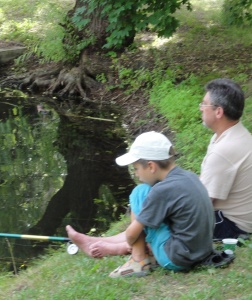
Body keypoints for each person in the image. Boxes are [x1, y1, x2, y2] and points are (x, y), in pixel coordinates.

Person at [68, 131, 214, 277]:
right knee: (146, 206)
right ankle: (96, 241)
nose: (136, 174)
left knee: (140, 192)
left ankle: (138, 260)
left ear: (151, 166)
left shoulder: (161, 191)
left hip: (178, 258)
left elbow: (131, 235)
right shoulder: (189, 176)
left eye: (136, 168)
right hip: (202, 252)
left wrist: (131, 243)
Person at [199, 78, 252, 239]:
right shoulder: (238, 134)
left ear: (218, 112)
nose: (201, 108)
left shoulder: (224, 150)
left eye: (204, 104)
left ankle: (128, 243)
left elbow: (203, 204)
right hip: (239, 220)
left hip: (231, 226)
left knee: (163, 221)